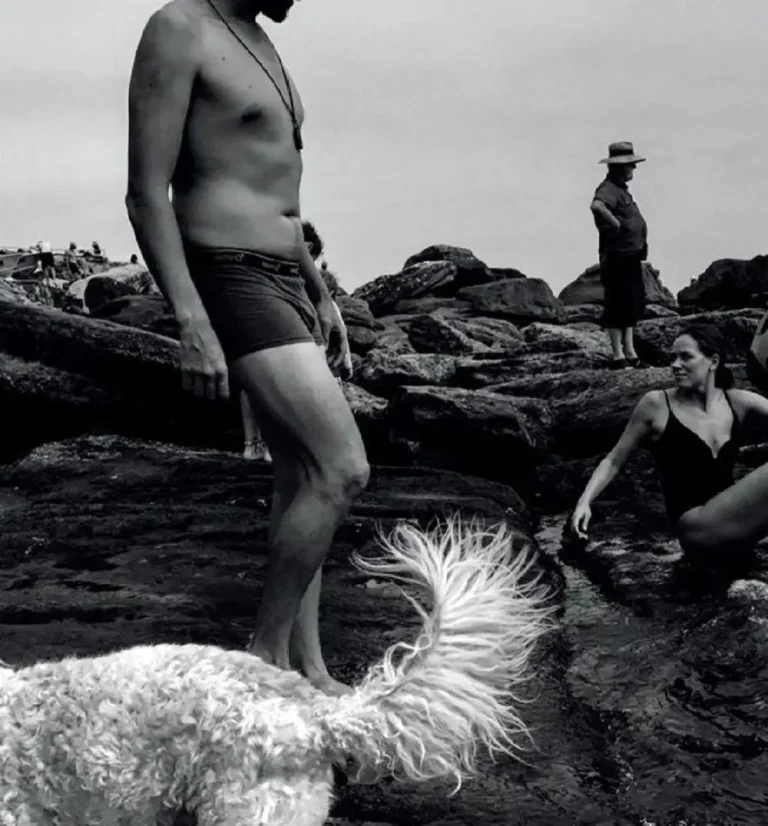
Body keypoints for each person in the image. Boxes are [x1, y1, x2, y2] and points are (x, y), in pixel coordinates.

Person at [126, 0, 369, 695]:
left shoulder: (261, 40)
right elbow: (146, 193)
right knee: (342, 466)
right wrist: (190, 319)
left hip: (285, 273)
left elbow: (280, 191)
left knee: (301, 475)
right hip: (229, 269)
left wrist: (320, 291)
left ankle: (307, 669)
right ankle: (263, 662)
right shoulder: (180, 29)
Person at [571, 325, 768, 557]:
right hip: (696, 528)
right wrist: (584, 503)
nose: (675, 365)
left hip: (737, 525)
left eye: (685, 357)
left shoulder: (739, 402)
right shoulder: (656, 404)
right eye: (673, 357)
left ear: (713, 362)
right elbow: (614, 460)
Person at [239, 219, 352, 462]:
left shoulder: (258, 263)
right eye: (312, 258)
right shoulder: (296, 280)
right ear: (306, 247)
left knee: (254, 384)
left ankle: (254, 444)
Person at [590, 141, 649, 370]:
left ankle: (630, 353)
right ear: (618, 167)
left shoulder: (621, 189)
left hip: (629, 254)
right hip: (616, 255)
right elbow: (597, 206)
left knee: (630, 302)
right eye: (629, 165)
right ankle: (618, 355)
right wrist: (616, 225)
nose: (633, 168)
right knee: (616, 303)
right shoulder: (608, 189)